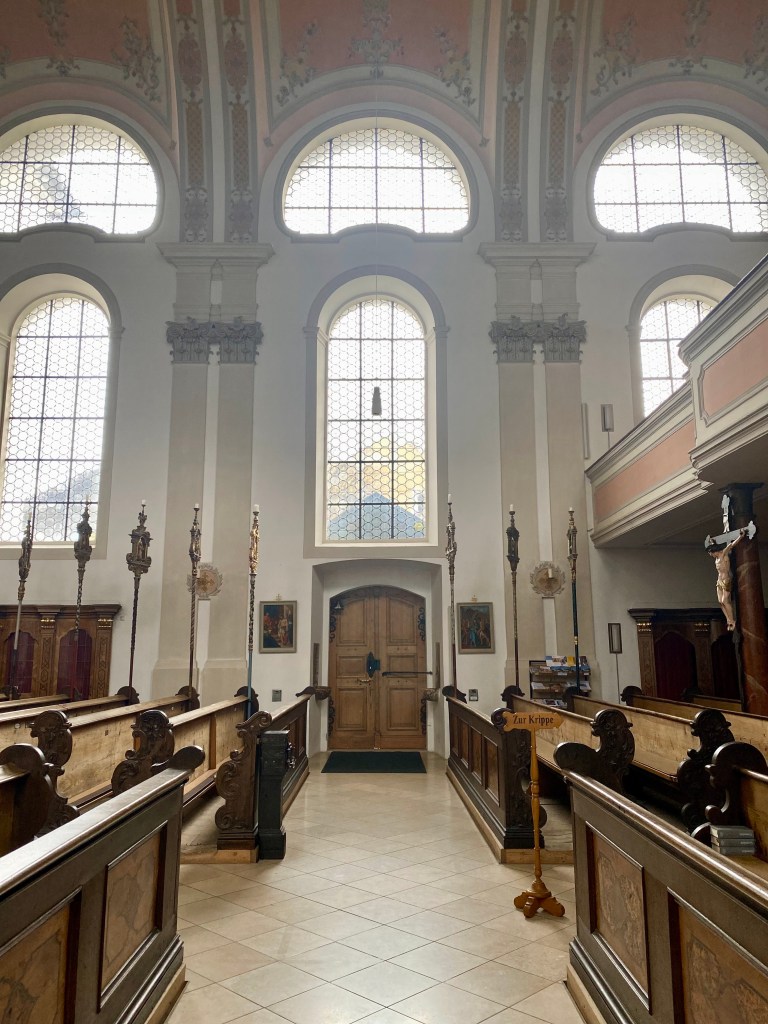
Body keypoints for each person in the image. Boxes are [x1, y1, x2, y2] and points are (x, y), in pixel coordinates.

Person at [707, 528, 747, 631]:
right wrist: (712, 541)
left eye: (711, 553)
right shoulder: (716, 558)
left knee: (725, 600)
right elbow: (715, 545)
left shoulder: (723, 554)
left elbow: (731, 545)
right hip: (719, 580)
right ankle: (728, 620)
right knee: (720, 602)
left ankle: (732, 620)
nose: (711, 555)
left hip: (726, 580)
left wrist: (741, 536)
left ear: (714, 552)